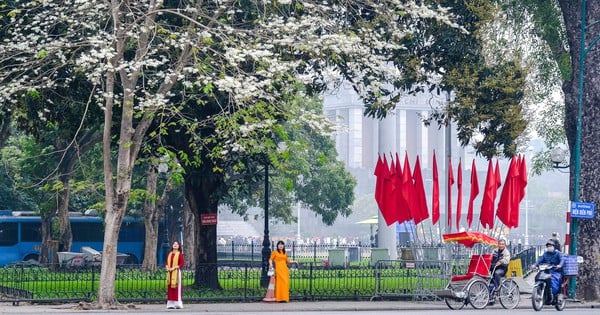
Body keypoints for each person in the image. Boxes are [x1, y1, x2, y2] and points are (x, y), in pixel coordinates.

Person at [166, 240, 184, 309]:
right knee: (170, 288)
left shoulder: (180, 254)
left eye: (177, 244)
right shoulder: (170, 254)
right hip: (170, 272)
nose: (175, 245)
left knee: (176, 287)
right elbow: (167, 262)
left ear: (179, 246)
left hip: (176, 272)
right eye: (174, 244)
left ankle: (178, 304)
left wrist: (174, 268)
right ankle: (170, 304)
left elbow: (181, 264)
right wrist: (167, 267)